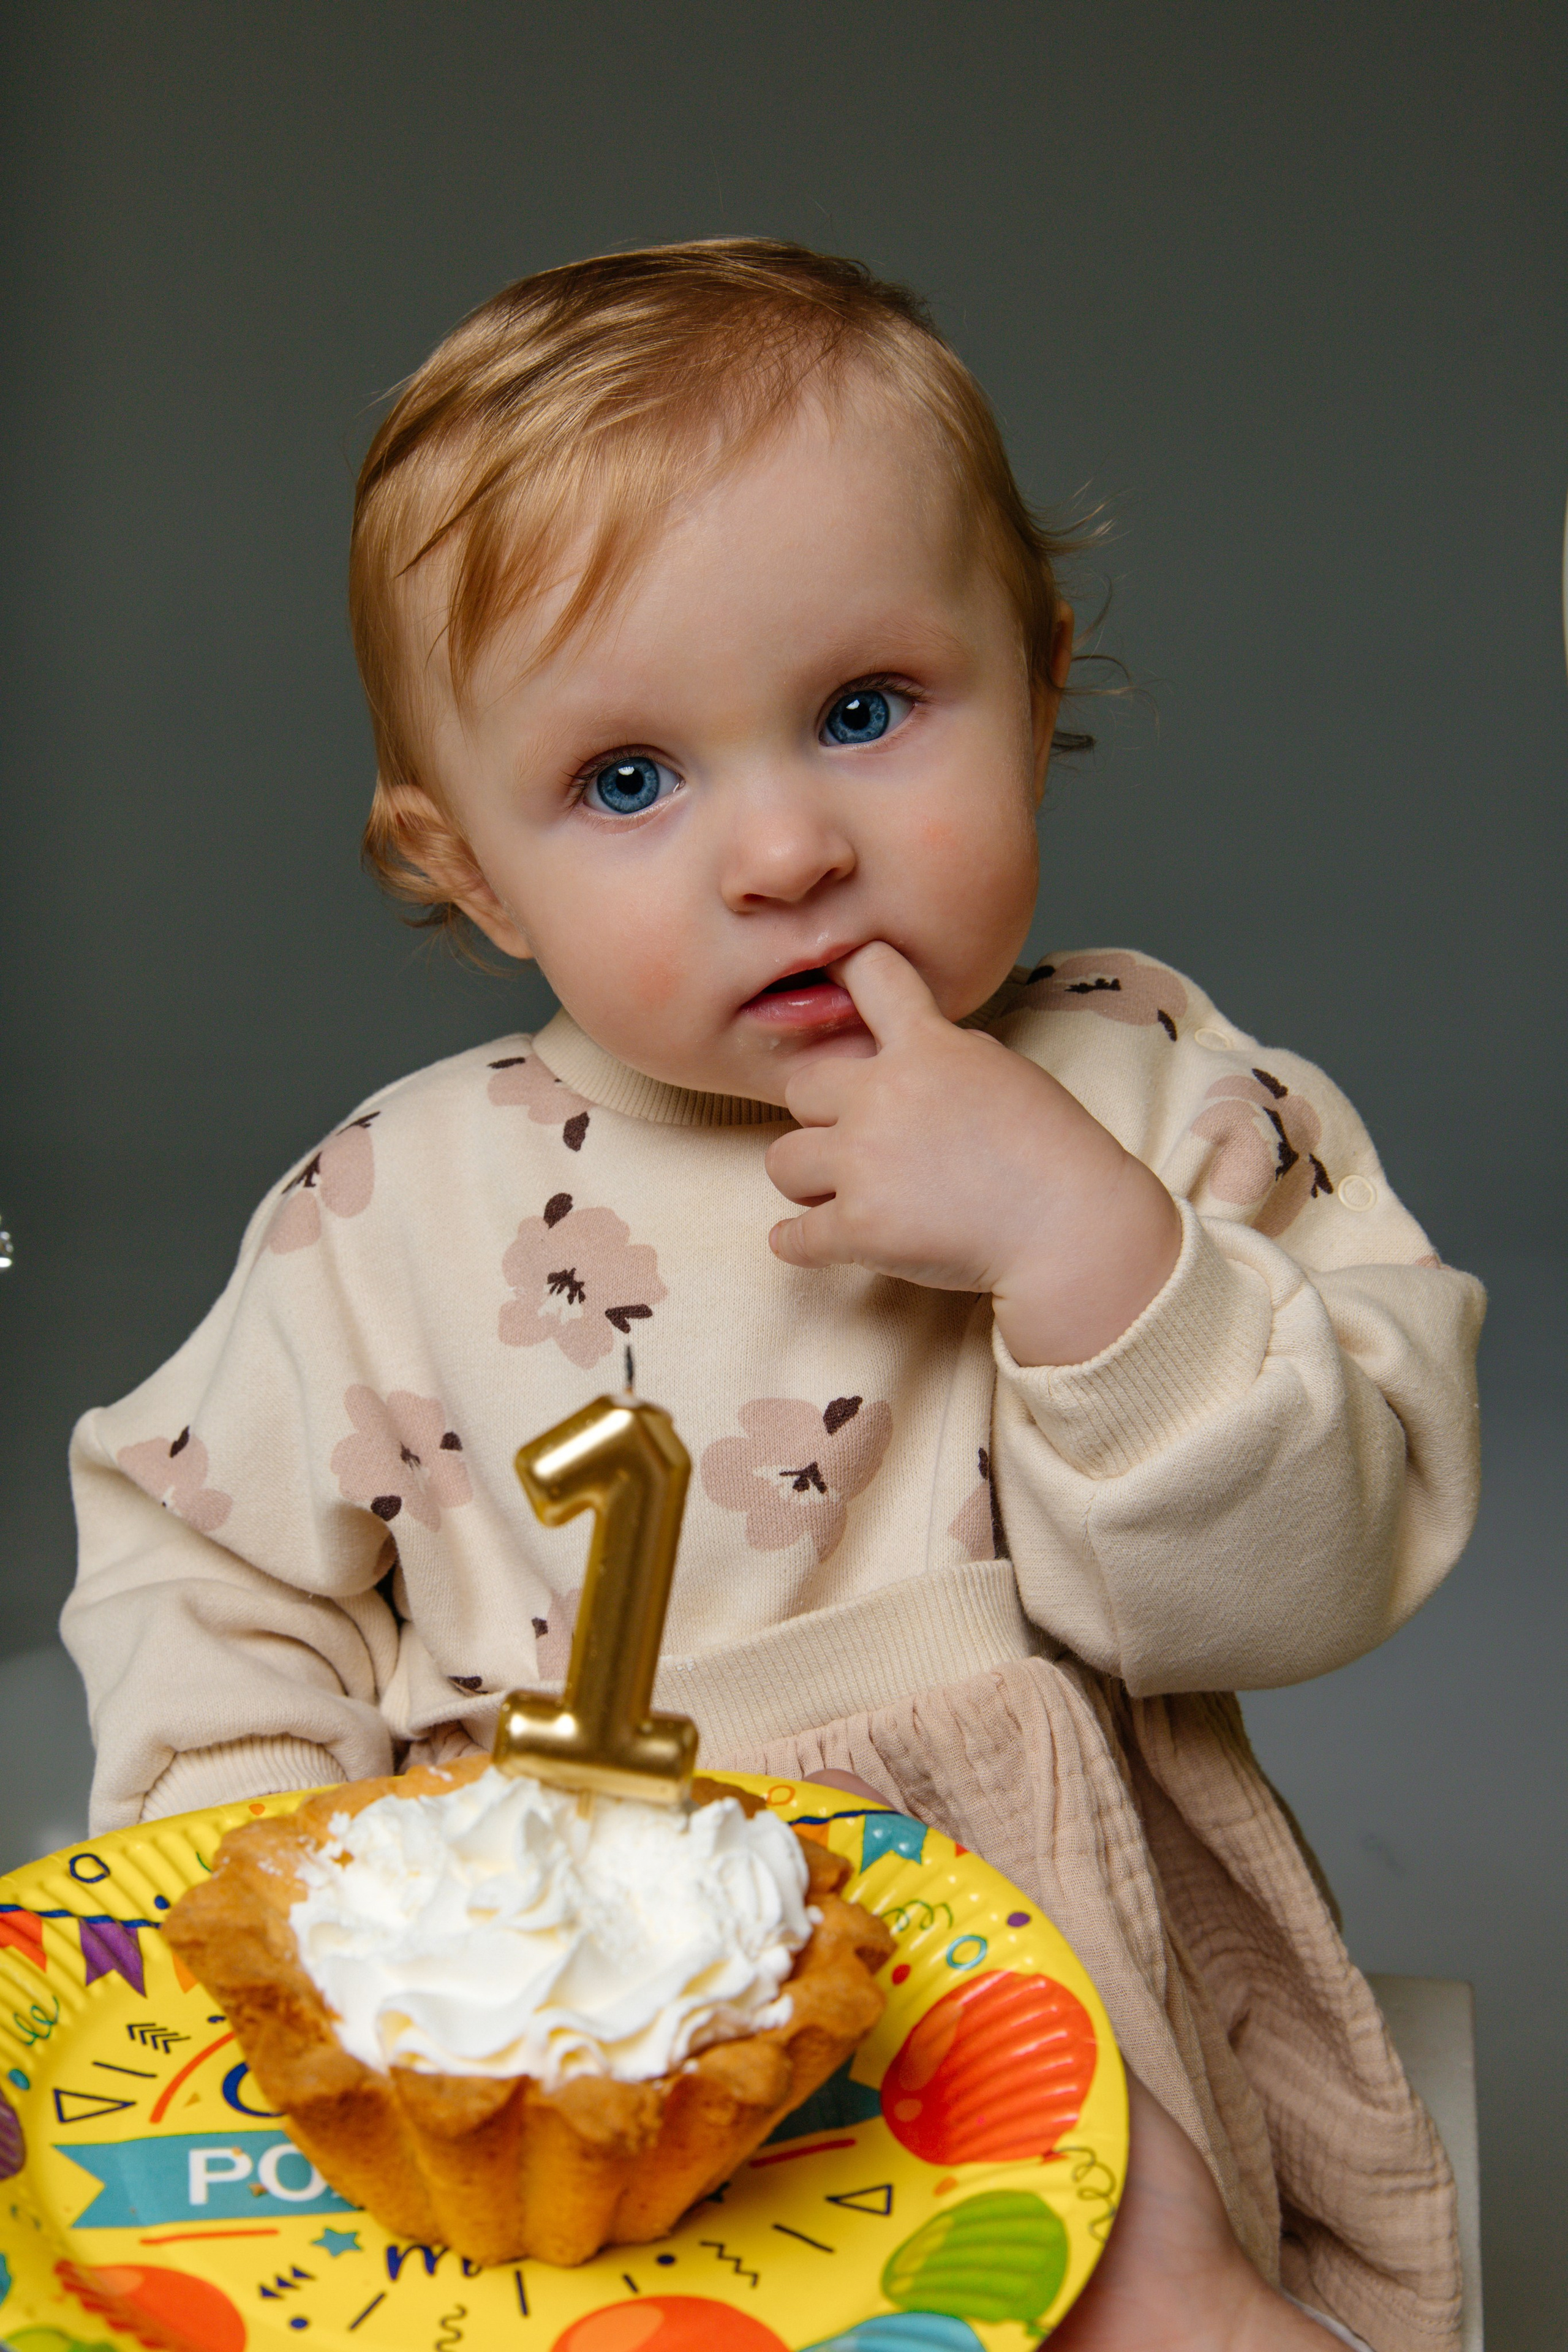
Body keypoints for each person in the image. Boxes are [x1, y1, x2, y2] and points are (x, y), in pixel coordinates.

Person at [64, 242, 1482, 2351]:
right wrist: (302, 1893)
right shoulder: (385, 1206)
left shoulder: (1152, 1101)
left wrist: (1078, 1246)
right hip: (548, 2008)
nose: (787, 849)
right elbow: (205, 1551)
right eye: (629, 781)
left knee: (1118, 2269)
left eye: (865, 710)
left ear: (1040, 664)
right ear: (464, 861)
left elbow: (1309, 1573)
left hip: (1015, 1989)